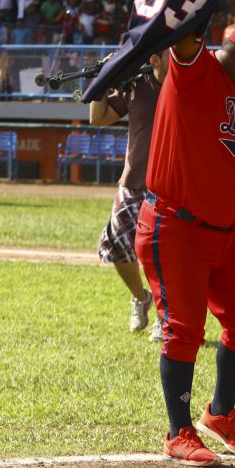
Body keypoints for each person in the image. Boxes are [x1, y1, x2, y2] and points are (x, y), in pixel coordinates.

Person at [134, 17, 235, 465]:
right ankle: (178, 432)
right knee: (184, 330)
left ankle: (219, 414)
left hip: (229, 230)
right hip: (176, 225)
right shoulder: (195, 69)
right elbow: (182, 33)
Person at [90, 49, 168, 341]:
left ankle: (164, 316)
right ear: (155, 60)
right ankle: (140, 297)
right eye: (170, 54)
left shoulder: (184, 86)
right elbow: (97, 118)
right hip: (133, 183)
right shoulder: (136, 85)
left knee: (161, 257)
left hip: (168, 187)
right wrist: (103, 78)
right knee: (118, 250)